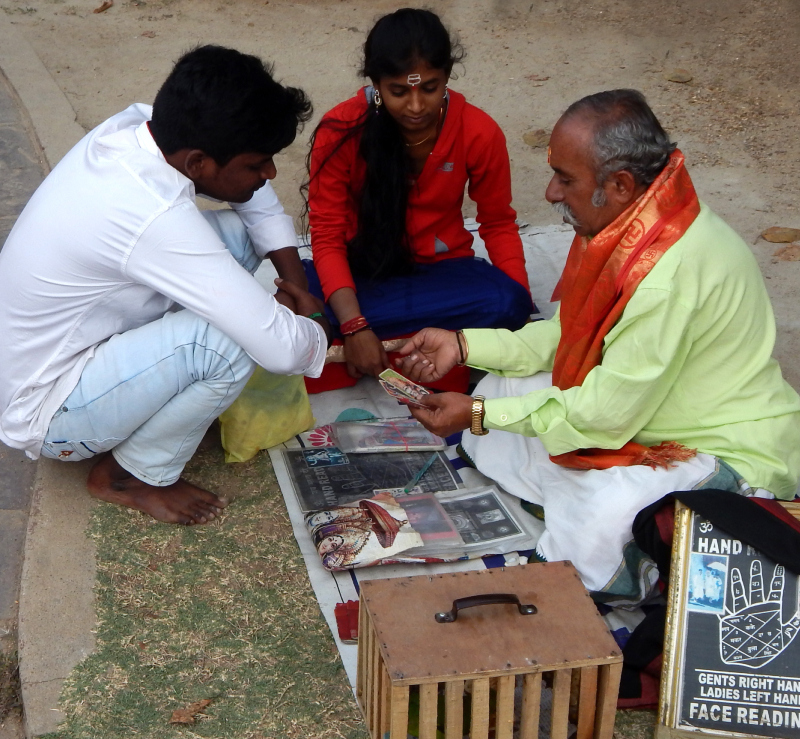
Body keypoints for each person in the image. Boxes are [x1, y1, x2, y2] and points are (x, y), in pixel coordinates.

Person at [396, 89, 800, 605]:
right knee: (505, 389)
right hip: (637, 408)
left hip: (722, 447)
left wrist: (476, 413)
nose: (549, 192)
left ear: (619, 184)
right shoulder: (634, 226)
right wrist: (462, 344)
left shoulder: (661, 275)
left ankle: (595, 535)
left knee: (602, 516)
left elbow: (605, 415)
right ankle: (561, 498)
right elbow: (567, 333)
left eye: (566, 179)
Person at [0, 45, 331, 525]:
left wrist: (293, 280)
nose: (271, 174)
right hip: (48, 409)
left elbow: (257, 207)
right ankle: (127, 476)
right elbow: (282, 351)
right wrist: (316, 322)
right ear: (198, 163)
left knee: (240, 238)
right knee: (227, 344)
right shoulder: (152, 215)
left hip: (59, 345)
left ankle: (164, 382)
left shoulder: (142, 127)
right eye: (259, 163)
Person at [305, 7, 534, 381]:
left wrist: (521, 307)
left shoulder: (478, 131)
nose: (415, 106)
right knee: (301, 314)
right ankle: (435, 346)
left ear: (447, 77)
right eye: (398, 91)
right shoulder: (340, 130)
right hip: (364, 274)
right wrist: (354, 325)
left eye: (430, 88)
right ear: (375, 84)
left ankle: (379, 349)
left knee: (505, 302)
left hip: (442, 276)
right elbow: (327, 233)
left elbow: (497, 222)